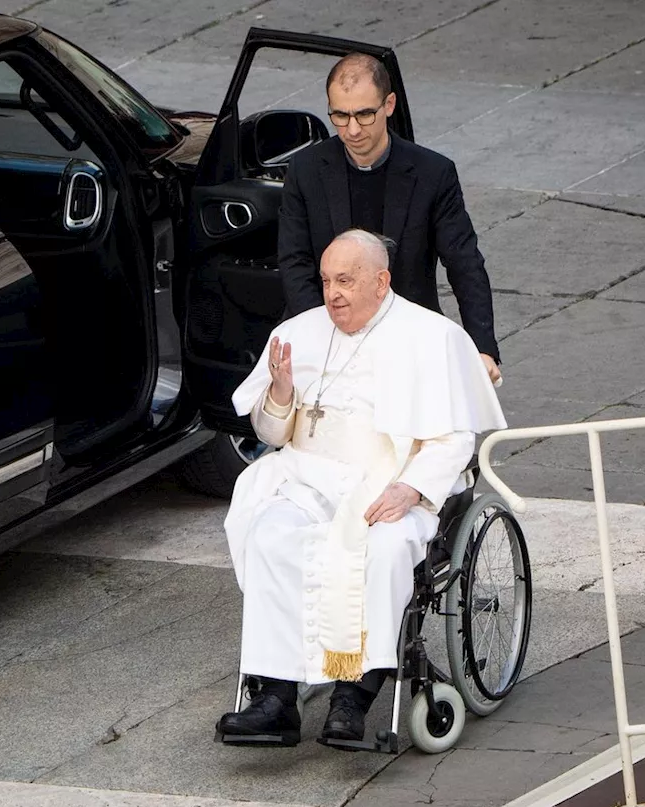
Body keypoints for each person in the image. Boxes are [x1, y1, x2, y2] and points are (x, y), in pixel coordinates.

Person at [216, 229, 506, 746]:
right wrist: (280, 395)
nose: (333, 294)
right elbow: (271, 435)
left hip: (387, 483)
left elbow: (454, 437)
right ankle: (277, 697)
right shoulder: (299, 334)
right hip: (307, 479)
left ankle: (355, 693)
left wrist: (412, 489)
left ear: (381, 280)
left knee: (386, 548)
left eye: (346, 281)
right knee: (270, 534)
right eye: (327, 281)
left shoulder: (431, 337)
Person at [278, 53, 502, 385]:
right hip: (325, 334)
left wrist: (482, 347)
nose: (352, 130)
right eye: (340, 115)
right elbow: (294, 261)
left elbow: (464, 262)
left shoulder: (433, 173)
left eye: (365, 114)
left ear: (389, 104)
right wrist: (326, 333)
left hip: (409, 340)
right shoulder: (305, 170)